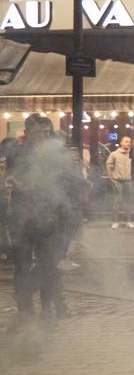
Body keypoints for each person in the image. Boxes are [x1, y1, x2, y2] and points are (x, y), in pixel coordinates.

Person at [6, 114, 79, 325]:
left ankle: (46, 307)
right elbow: (12, 177)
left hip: (50, 213)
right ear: (28, 133)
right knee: (22, 263)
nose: (43, 137)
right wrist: (17, 184)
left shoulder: (55, 154)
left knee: (48, 262)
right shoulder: (19, 153)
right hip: (24, 215)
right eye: (39, 132)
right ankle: (25, 311)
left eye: (47, 132)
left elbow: (66, 180)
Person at [105, 135, 134, 228]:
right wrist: (111, 178)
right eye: (126, 141)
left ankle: (128, 221)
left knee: (129, 201)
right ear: (121, 143)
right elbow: (109, 166)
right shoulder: (114, 154)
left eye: (129, 142)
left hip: (129, 180)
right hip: (118, 181)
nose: (128, 143)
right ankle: (115, 221)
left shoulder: (132, 154)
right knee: (117, 201)